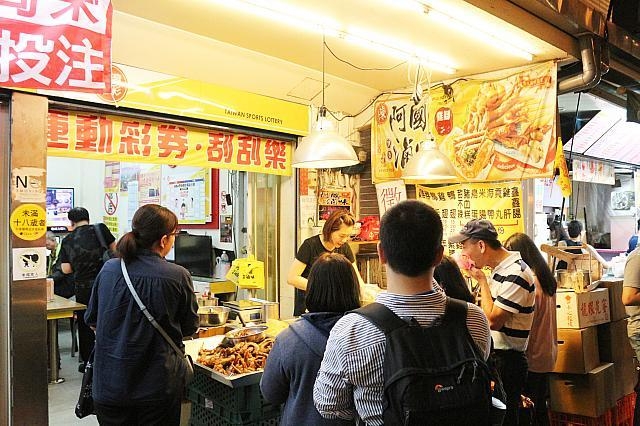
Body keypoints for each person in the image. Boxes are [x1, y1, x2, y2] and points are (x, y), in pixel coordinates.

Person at [313, 200, 490, 425]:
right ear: (439, 255)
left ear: (381, 254)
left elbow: (328, 405)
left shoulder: (352, 331)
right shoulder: (473, 319)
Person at [85, 204, 199, 425]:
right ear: (164, 240)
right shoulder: (177, 276)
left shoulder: (109, 268)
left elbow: (92, 320)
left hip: (110, 385)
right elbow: (189, 328)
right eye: (174, 235)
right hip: (157, 388)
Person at [449, 219, 535, 426]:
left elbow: (493, 320)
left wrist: (482, 281)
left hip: (508, 360)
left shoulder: (516, 272)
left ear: (480, 245)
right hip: (497, 358)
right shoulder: (500, 270)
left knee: (505, 418)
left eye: (464, 246)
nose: (463, 252)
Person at [261, 252, 360, 425]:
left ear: (312, 289)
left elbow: (271, 393)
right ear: (353, 288)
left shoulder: (289, 339)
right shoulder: (366, 335)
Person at [504, 232, 558, 426]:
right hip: (547, 352)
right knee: (540, 404)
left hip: (532, 354)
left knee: (529, 408)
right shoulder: (546, 279)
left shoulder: (529, 283)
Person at [59, 207, 116, 373]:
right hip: (106, 282)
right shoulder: (101, 229)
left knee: (86, 324)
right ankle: (109, 357)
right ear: (88, 218)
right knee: (108, 319)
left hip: (83, 287)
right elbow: (115, 251)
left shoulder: (68, 239)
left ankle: (88, 362)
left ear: (71, 222)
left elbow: (66, 269)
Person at [287, 209, 364, 316]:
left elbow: (355, 277)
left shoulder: (344, 247)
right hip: (309, 308)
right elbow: (292, 278)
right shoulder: (310, 245)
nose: (345, 240)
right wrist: (323, 288)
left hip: (335, 310)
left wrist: (363, 291)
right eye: (342, 236)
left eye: (348, 236)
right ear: (329, 230)